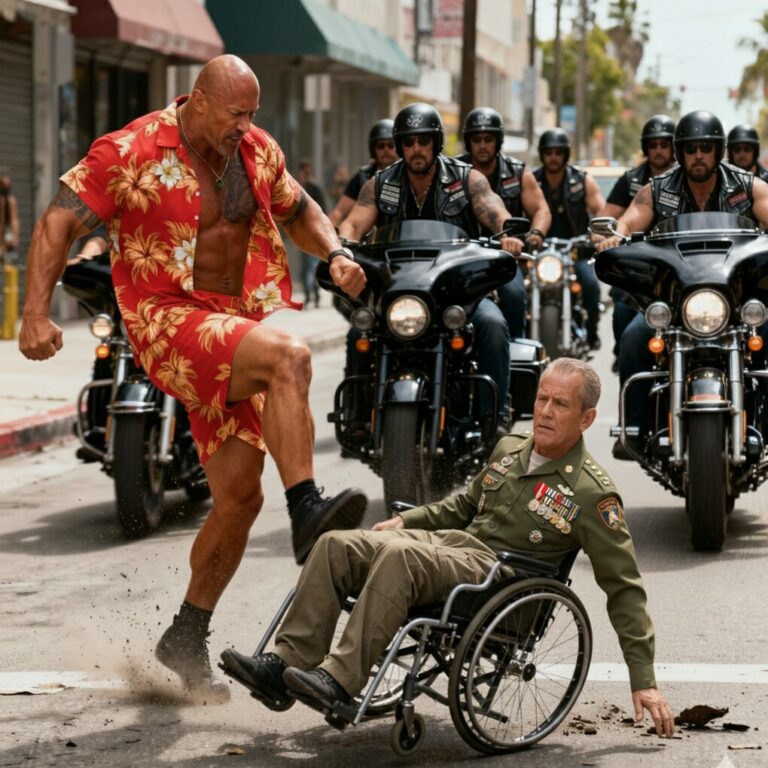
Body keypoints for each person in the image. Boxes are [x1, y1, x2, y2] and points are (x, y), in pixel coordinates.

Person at [18, 54, 369, 701]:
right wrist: (33, 313)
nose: (245, 126)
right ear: (197, 101)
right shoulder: (131, 150)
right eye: (236, 114)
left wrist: (339, 252)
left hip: (229, 328)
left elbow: (298, 211)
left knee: (238, 497)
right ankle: (308, 511)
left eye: (252, 115)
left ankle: (185, 631)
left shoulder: (255, 151)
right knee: (290, 357)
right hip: (166, 319)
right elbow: (59, 219)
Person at [220, 357, 676, 739]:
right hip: (449, 548)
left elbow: (625, 588)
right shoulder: (510, 447)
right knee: (336, 544)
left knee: (401, 557)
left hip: (498, 581)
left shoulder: (592, 494)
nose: (546, 411)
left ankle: (338, 681)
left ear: (586, 418)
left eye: (561, 404)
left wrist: (645, 680)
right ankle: (284, 665)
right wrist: (407, 519)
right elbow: (463, 504)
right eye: (541, 399)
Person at [339, 102, 527, 431]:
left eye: (423, 141)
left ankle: (494, 416)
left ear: (436, 143)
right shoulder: (380, 184)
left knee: (493, 325)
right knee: (360, 329)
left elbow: (494, 210)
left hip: (459, 293)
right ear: (400, 146)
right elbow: (353, 225)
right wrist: (340, 249)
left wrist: (508, 232)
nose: (416, 149)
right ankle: (357, 417)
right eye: (408, 142)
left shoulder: (467, 179)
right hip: (401, 291)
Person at [595, 110, 768, 458]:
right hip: (677, 302)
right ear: (680, 153)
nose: (698, 155)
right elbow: (628, 220)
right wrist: (614, 238)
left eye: (706, 147)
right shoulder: (658, 190)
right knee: (633, 338)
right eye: (691, 148)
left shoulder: (748, 186)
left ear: (718, 151)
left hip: (734, 299)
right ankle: (635, 427)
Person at [457, 107, 551, 338]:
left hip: (506, 258)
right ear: (468, 142)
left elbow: (541, 209)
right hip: (460, 258)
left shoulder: (517, 173)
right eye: (476, 139)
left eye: (488, 139)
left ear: (498, 141)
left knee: (513, 294)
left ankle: (514, 351)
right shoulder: (453, 172)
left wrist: (535, 233)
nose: (482, 145)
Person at [599, 115, 677, 371]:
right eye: (653, 145)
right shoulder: (633, 180)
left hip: (682, 266)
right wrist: (607, 237)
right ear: (646, 148)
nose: (658, 151)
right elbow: (612, 219)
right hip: (640, 265)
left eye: (664, 145)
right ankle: (627, 362)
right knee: (624, 314)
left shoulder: (686, 178)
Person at [533, 128, 606, 349]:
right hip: (539, 253)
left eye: (558, 152)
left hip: (576, 251)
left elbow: (601, 210)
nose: (553, 157)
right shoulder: (532, 181)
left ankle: (592, 333)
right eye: (549, 152)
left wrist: (598, 232)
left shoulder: (582, 180)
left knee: (592, 286)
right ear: (542, 154)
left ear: (565, 154)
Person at [329, 119, 397, 227]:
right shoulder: (363, 177)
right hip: (368, 239)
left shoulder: (408, 174)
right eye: (381, 146)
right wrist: (329, 235)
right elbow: (339, 212)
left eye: (391, 145)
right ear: (373, 149)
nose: (386, 150)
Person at [296, 160, 327, 308]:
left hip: (314, 234)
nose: (306, 174)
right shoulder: (296, 188)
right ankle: (311, 295)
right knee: (306, 268)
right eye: (304, 171)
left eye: (308, 171)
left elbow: (323, 211)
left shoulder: (315, 189)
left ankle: (313, 296)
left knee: (311, 267)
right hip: (300, 234)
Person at [0, 174, 20, 263]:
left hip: (7, 234)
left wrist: (15, 237)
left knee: (8, 262)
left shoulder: (10, 200)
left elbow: (14, 219)